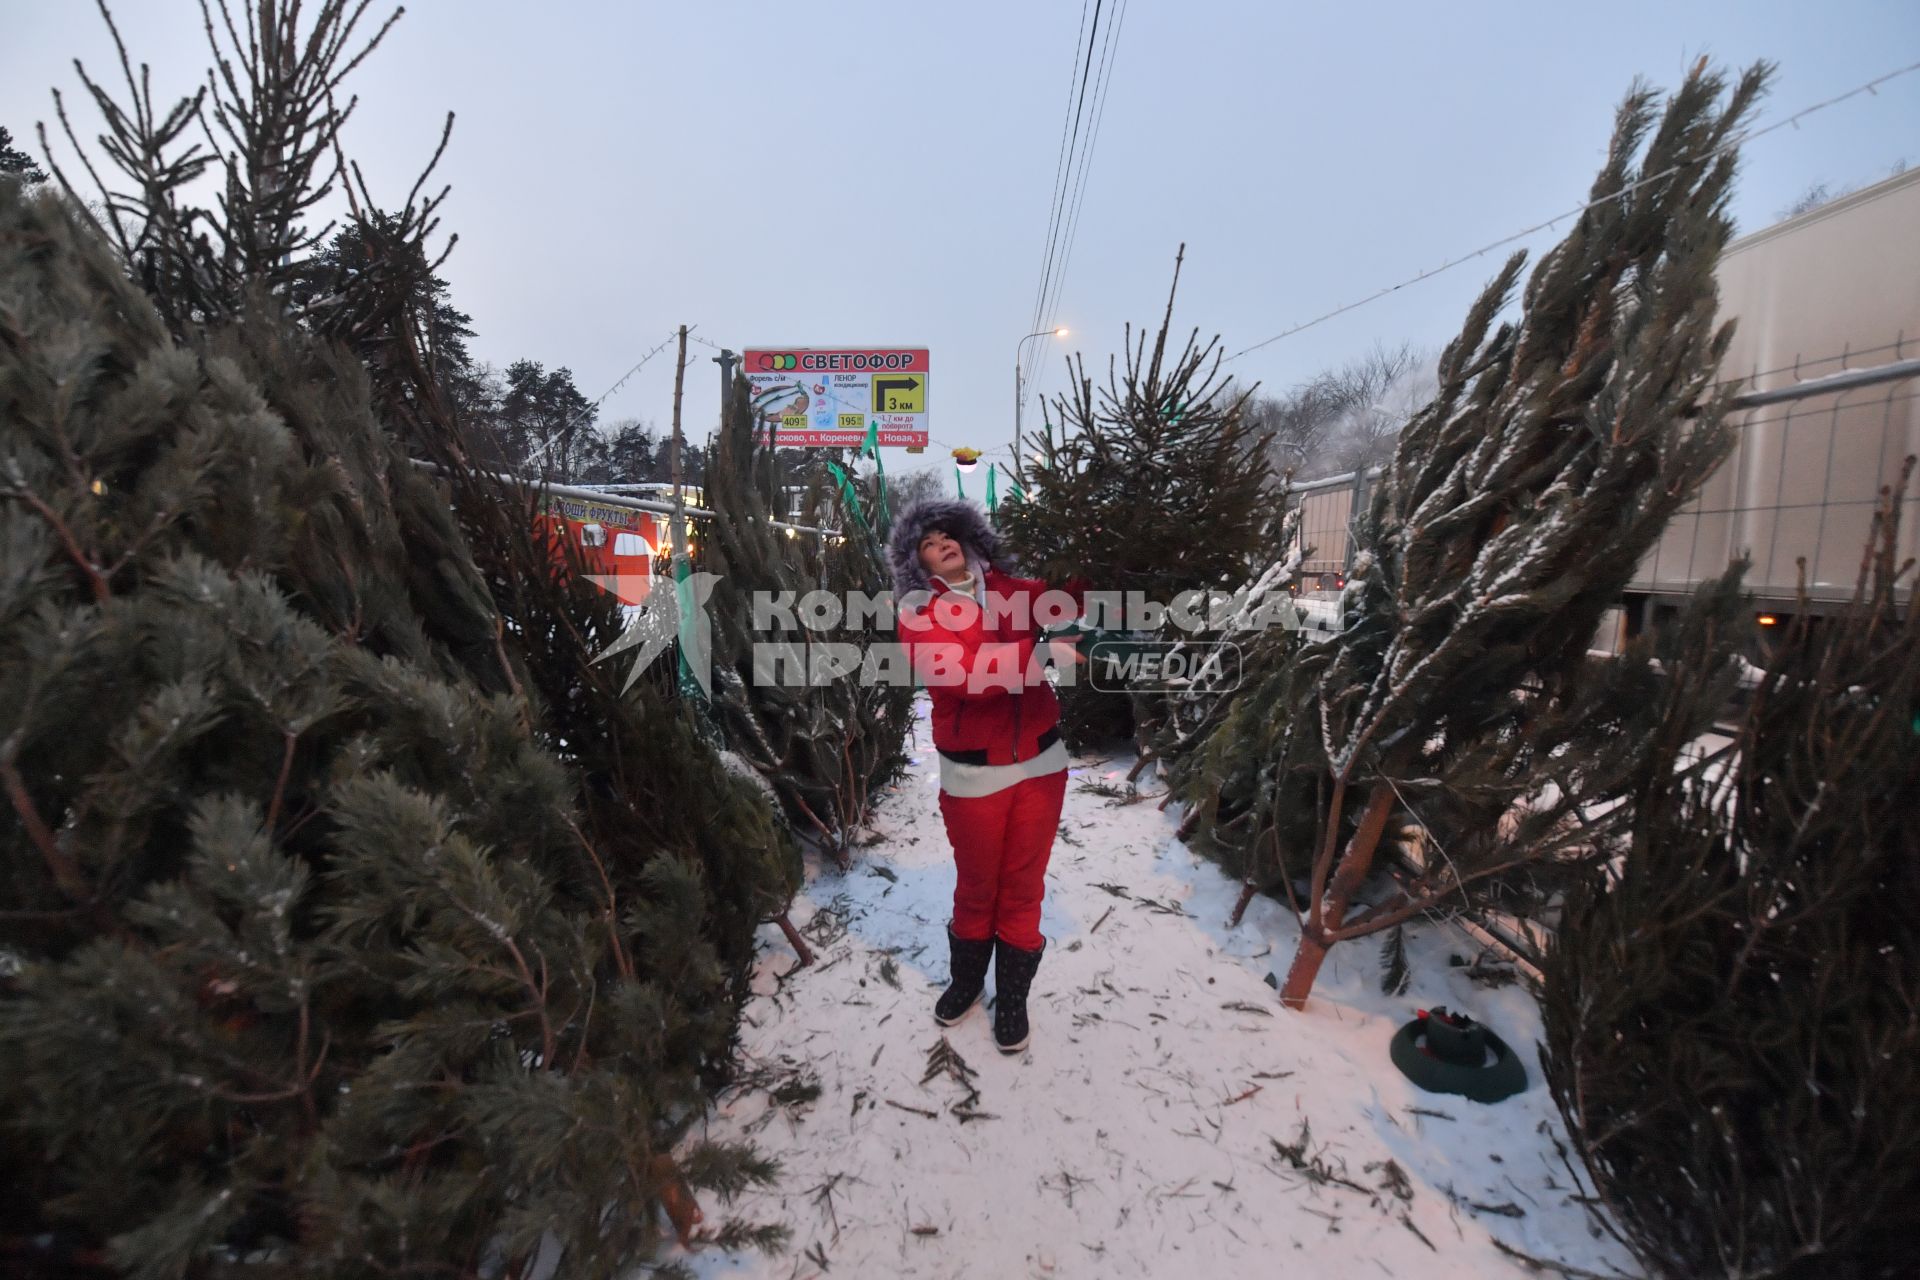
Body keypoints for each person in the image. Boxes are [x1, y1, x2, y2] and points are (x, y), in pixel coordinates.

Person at [889, 498, 1083, 1054]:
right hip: (975, 774)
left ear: (968, 538)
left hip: (1042, 766)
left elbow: (1074, 599)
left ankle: (1014, 998)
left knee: (1024, 885)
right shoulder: (918, 612)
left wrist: (1084, 544)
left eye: (947, 533)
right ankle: (968, 982)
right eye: (927, 541)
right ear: (916, 561)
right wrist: (1043, 655)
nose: (942, 543)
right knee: (978, 888)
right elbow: (962, 678)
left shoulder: (1016, 591)